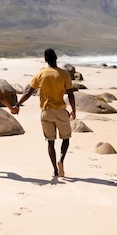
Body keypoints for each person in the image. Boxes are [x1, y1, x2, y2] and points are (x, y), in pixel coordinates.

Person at [16, 48, 76, 177]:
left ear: (45, 59)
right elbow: (71, 94)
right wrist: (74, 110)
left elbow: (28, 92)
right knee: (66, 138)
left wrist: (18, 104)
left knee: (50, 141)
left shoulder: (41, 74)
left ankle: (55, 169)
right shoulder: (64, 74)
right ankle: (61, 160)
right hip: (60, 111)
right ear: (56, 58)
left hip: (46, 112)